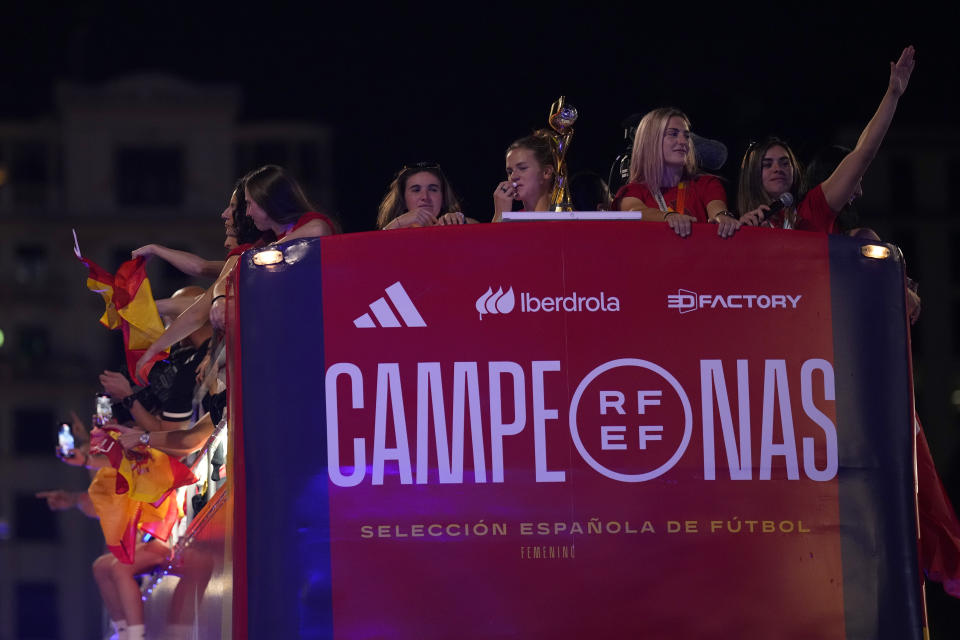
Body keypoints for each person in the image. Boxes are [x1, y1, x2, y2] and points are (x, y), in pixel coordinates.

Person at [738, 45, 916, 231]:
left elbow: (862, 153)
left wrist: (892, 94)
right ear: (751, 176)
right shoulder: (741, 225)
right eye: (767, 164)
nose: (778, 169)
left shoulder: (813, 208)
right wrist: (745, 233)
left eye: (785, 163)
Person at [611, 107, 739, 238]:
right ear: (650, 140)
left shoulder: (706, 184)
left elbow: (717, 210)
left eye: (686, 135)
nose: (684, 141)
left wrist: (722, 217)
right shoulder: (632, 191)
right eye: (673, 134)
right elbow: (635, 212)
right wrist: (669, 217)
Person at [377, 162, 471, 229]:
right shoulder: (394, 230)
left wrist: (460, 221)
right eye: (416, 190)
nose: (425, 197)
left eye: (433, 190)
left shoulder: (459, 225)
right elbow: (373, 250)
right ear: (403, 200)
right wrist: (397, 224)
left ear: (443, 198)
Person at [493, 132, 558, 221]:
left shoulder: (571, 218)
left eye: (522, 168)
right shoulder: (510, 221)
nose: (513, 177)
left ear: (546, 172)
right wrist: (500, 215)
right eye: (510, 171)